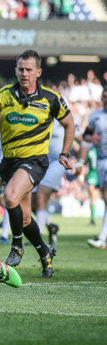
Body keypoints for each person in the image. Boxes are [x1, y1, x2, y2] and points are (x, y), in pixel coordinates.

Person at [0, 49, 74, 278]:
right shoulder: (3, 95)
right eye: (20, 69)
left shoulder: (51, 98)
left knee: (10, 196)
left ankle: (17, 245)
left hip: (35, 162)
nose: (24, 73)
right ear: (16, 70)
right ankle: (45, 252)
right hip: (9, 163)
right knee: (26, 217)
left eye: (29, 69)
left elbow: (70, 124)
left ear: (38, 72)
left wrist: (65, 153)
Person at [84, 87, 107, 250]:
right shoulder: (95, 116)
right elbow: (85, 135)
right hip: (100, 160)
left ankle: (101, 238)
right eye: (105, 96)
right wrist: (91, 138)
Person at [85, 145, 99, 227]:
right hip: (92, 175)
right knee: (93, 197)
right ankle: (92, 219)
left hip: (101, 173)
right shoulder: (90, 150)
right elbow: (84, 162)